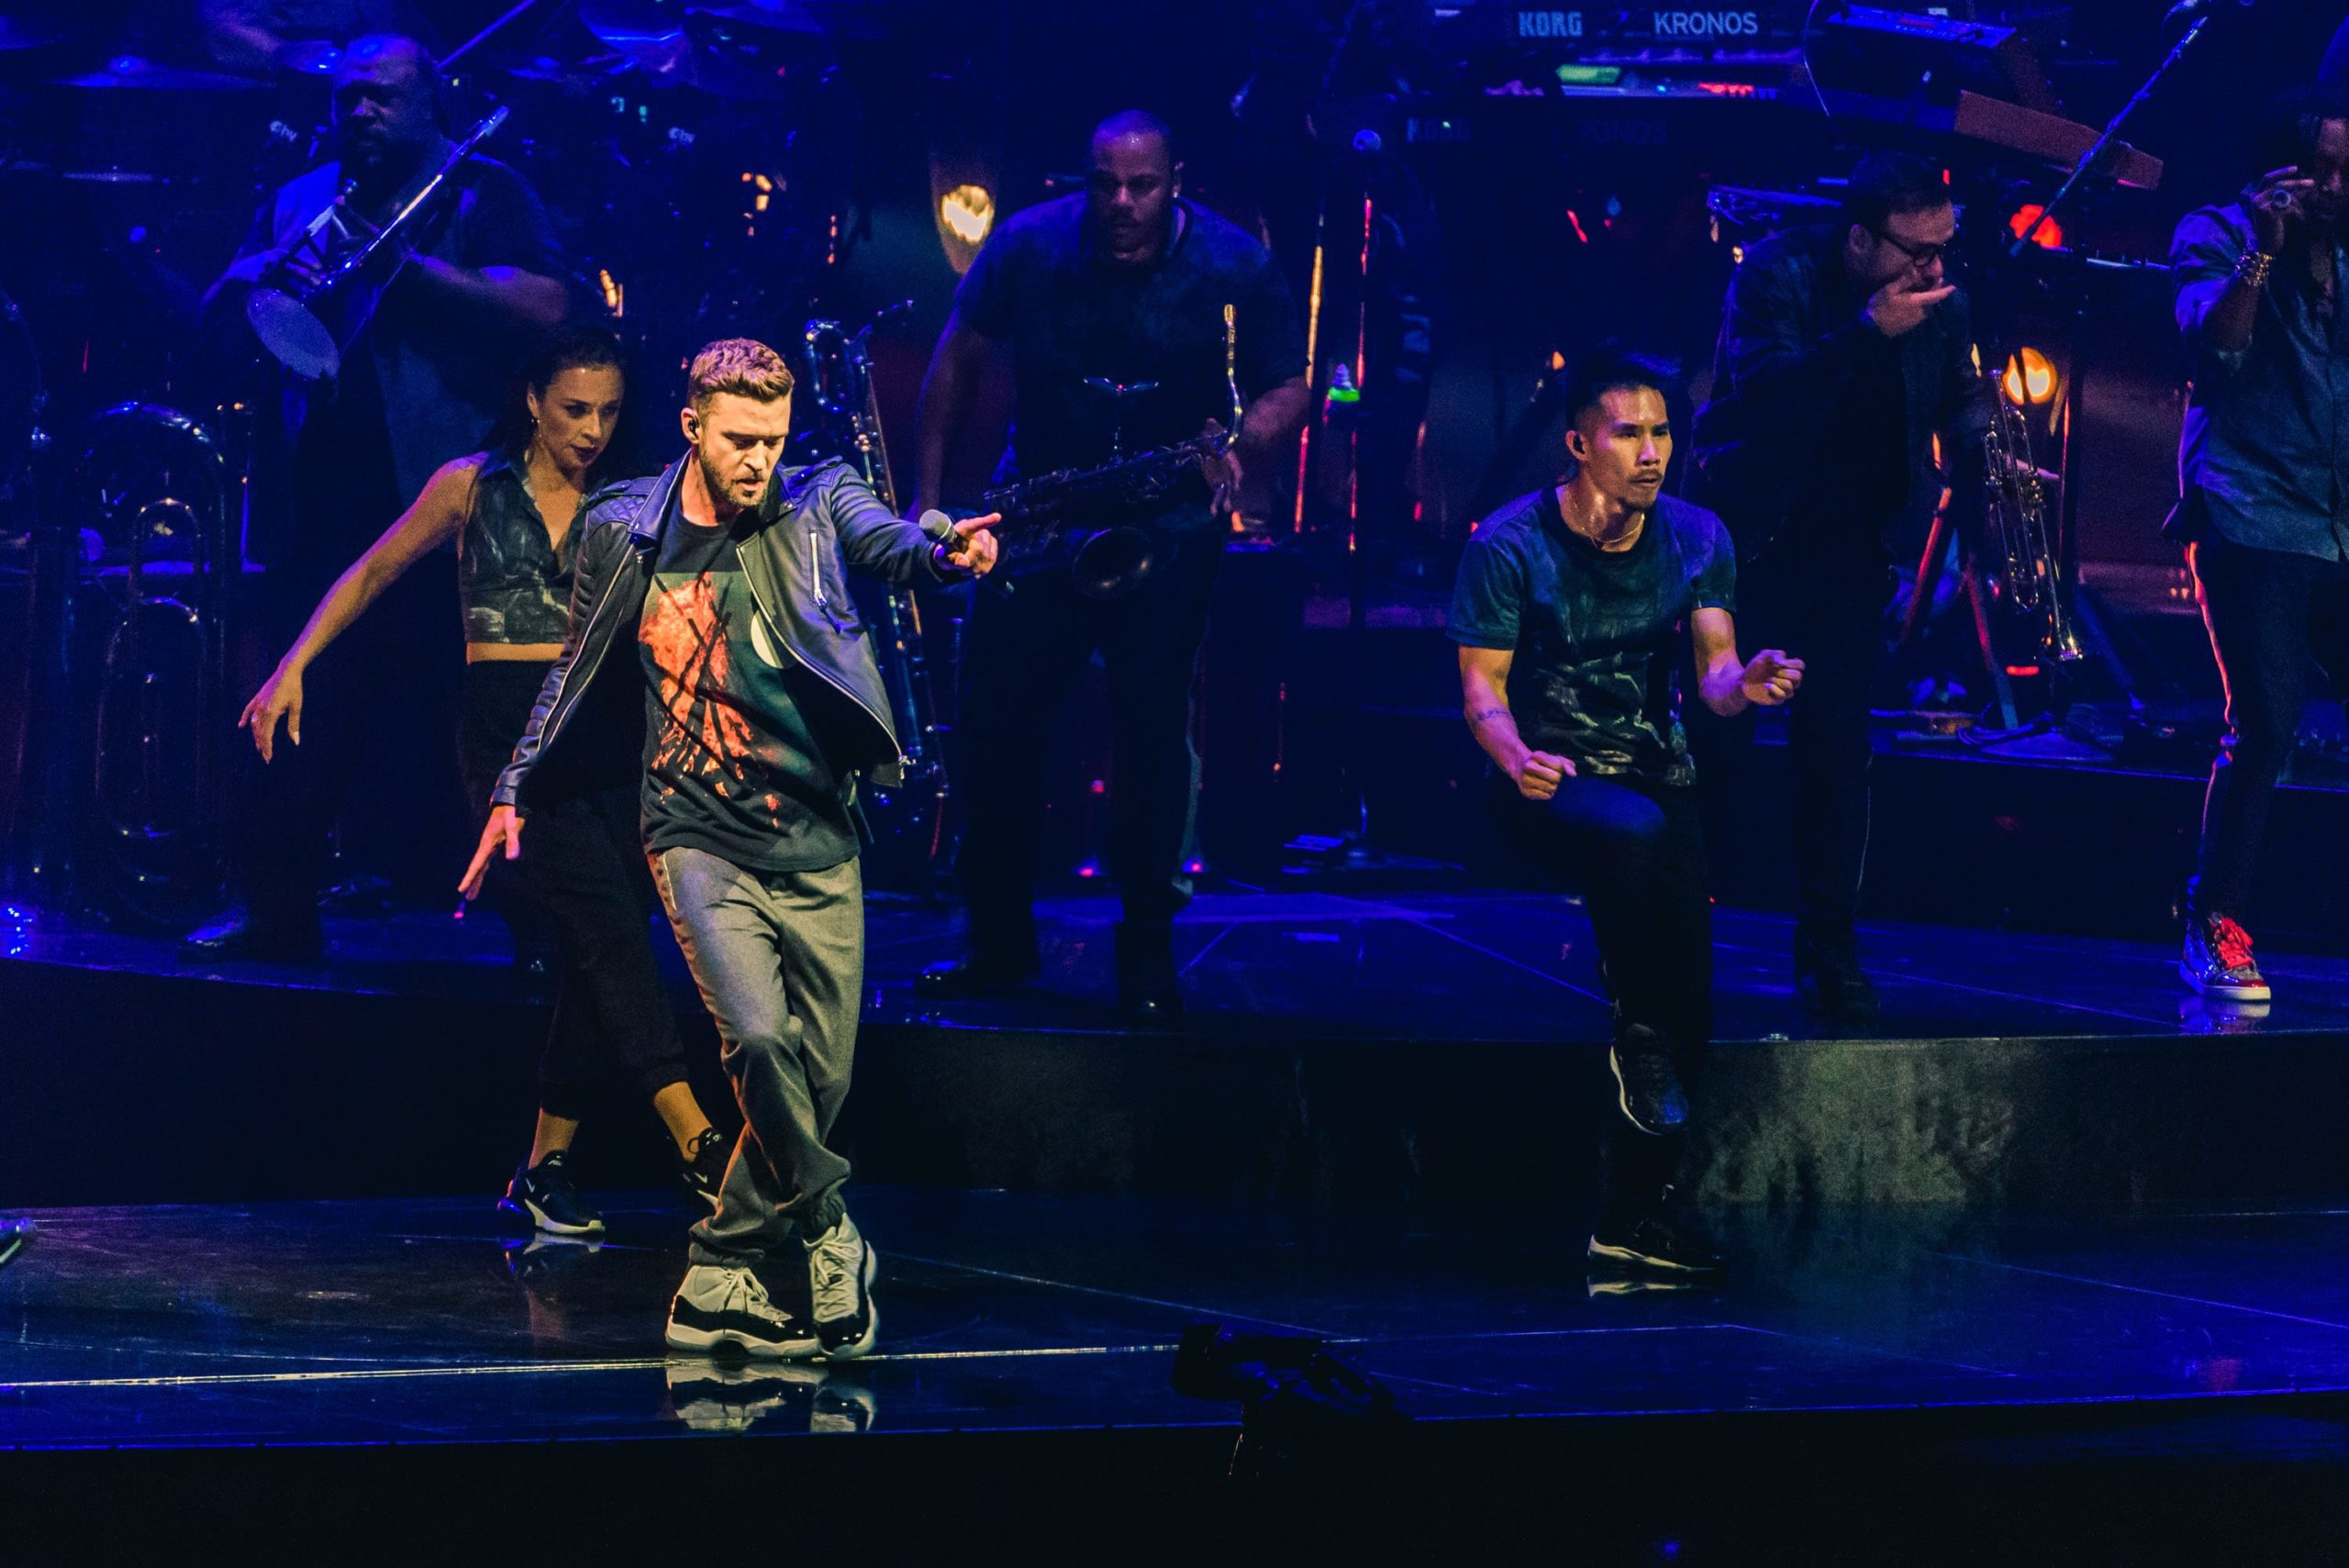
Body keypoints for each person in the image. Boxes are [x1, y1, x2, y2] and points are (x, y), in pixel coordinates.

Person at [465, 339, 1001, 1359]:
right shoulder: (624, 529)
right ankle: (830, 1231)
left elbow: (894, 544)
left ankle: (726, 1263)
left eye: (773, 437)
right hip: (692, 831)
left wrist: (943, 551)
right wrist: (512, 783)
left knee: (819, 1079)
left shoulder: (818, 498)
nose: (759, 458)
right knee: (756, 1041)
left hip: (815, 834)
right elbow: (574, 667)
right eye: (740, 439)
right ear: (693, 426)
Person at [238, 326, 729, 1234]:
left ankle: (542, 1172)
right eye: (575, 409)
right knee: (607, 930)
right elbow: (374, 569)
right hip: (510, 741)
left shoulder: (636, 497)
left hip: (615, 733)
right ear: (534, 399)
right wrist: (294, 662)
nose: (591, 429)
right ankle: (699, 1141)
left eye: (609, 412)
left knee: (599, 941)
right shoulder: (468, 485)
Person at [908, 109, 1309, 1021]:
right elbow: (954, 361)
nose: (1122, 204)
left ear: (1178, 182)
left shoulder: (1234, 259)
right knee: (994, 727)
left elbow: (1294, 379)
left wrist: (1243, 441)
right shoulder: (1027, 246)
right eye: (1105, 185)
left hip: (1166, 522)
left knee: (1152, 730)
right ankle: (999, 946)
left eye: (1142, 186)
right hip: (1042, 514)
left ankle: (1147, 959)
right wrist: (923, 508)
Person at [190, 31, 568, 962]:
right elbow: (219, 328)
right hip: (326, 504)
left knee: (487, 724)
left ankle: (546, 920)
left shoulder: (485, 187)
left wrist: (404, 270)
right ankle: (275, 908)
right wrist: (247, 281)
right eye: (345, 97)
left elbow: (549, 311)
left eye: (381, 97)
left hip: (455, 505)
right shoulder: (299, 201)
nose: (359, 112)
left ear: (430, 102)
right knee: (297, 705)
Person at [1453, 350, 1801, 1273]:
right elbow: (1482, 689)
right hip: (1546, 779)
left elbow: (1714, 678)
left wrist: (1748, 685)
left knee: (1687, 1001)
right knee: (1629, 840)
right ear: (1577, 443)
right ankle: (1634, 1028)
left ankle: (1635, 1212)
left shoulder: (1695, 536)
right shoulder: (1507, 542)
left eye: (1661, 431)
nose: (1652, 452)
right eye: (1629, 432)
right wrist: (1511, 752)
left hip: (1658, 777)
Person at [1687, 150, 1991, 1022]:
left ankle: (1830, 952)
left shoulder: (1942, 303)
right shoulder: (1775, 276)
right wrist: (1866, 332)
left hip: (1850, 552)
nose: (1934, 269)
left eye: (1945, 249)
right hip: (1749, 540)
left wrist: (1985, 438)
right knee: (1716, 747)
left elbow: (1958, 398)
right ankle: (1665, 932)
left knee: (1838, 759)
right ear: (1860, 239)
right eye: (1916, 251)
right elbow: (1769, 396)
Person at [2167, 87, 2349, 1003]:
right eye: (2317, 169)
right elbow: (2214, 352)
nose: (2332, 186)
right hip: (2245, 512)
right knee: (2268, 721)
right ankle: (2215, 921)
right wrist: (2261, 258)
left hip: (2334, 522)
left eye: (2345, 172)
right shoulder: (2212, 232)